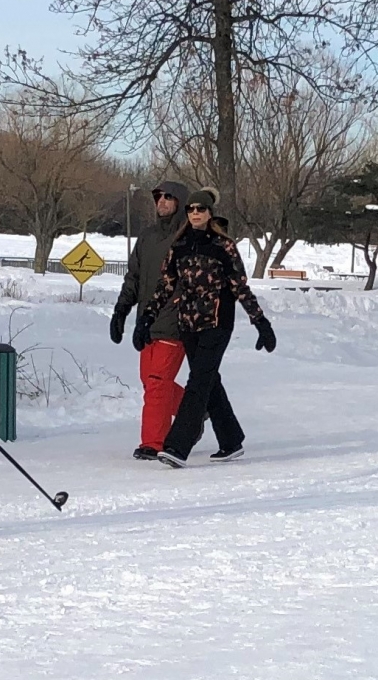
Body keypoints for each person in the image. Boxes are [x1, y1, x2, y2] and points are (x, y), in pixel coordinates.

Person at [141, 188, 275, 467]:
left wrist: (260, 322)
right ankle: (231, 440)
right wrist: (147, 318)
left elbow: (240, 287)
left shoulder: (223, 246)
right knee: (209, 381)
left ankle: (177, 446)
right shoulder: (179, 246)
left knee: (198, 382)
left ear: (210, 213)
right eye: (190, 210)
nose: (195, 214)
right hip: (188, 324)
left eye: (200, 209)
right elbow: (166, 286)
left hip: (217, 323)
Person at [111, 180, 192, 460]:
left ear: (181, 202)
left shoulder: (189, 237)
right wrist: (121, 311)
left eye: (169, 197)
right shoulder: (147, 237)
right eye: (158, 197)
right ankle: (193, 409)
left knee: (158, 381)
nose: (162, 202)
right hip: (146, 320)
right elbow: (134, 276)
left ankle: (153, 442)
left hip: (175, 321)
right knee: (149, 380)